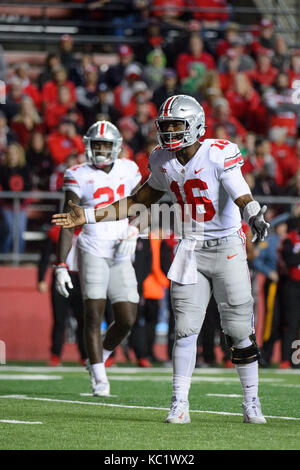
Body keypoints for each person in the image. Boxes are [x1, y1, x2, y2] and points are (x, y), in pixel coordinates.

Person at [52, 95, 270, 424]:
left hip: (226, 246)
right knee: (184, 329)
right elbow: (137, 200)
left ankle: (251, 401)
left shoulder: (217, 153)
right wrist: (89, 216)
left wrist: (253, 214)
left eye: (176, 125)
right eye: (165, 125)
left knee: (239, 329)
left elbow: (241, 191)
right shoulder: (161, 160)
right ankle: (179, 403)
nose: (169, 131)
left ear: (195, 124)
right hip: (190, 248)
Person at [54, 120, 141, 396]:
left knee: (127, 318)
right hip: (92, 246)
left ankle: (100, 354)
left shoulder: (129, 169)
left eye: (106, 144)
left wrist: (134, 229)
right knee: (93, 315)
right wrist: (61, 264)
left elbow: (145, 203)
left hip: (120, 248)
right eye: (97, 144)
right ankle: (99, 377)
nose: (101, 149)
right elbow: (69, 220)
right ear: (88, 145)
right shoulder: (77, 174)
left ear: (116, 147)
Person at [37, 224, 87, 366]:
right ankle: (55, 355)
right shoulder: (57, 231)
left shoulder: (90, 230)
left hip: (82, 278)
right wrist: (41, 278)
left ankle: (85, 355)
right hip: (61, 276)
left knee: (83, 319)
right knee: (59, 319)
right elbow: (45, 255)